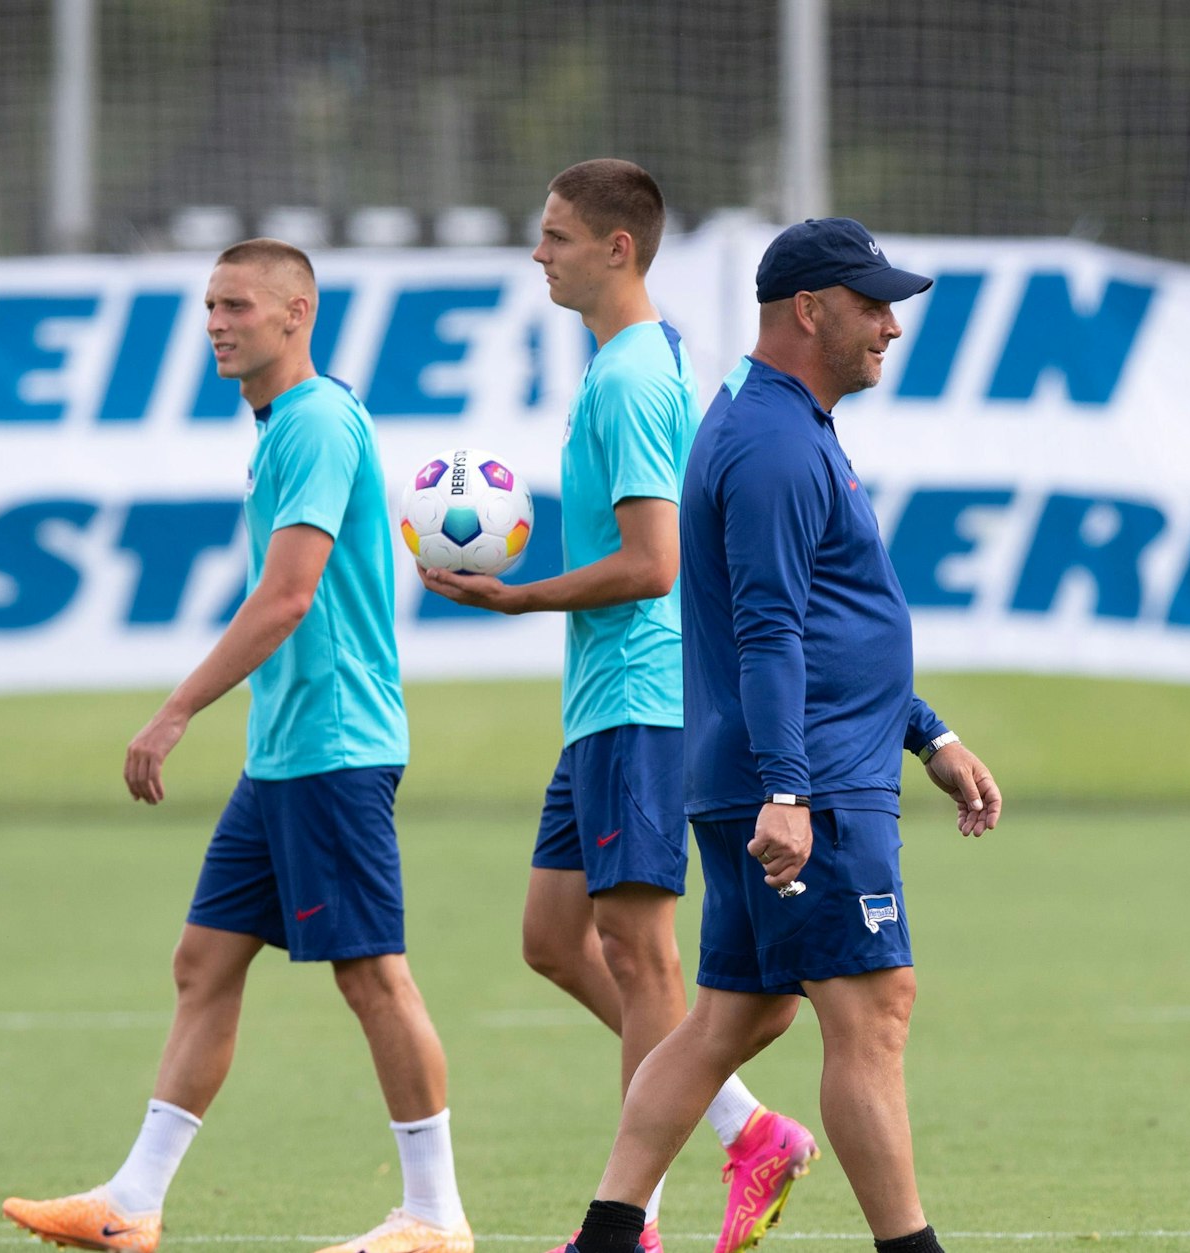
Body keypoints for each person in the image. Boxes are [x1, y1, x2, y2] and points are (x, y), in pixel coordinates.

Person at [2, 239, 472, 1253]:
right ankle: (131, 1202)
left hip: (334, 745)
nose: (216, 322)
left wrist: (175, 708)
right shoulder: (284, 423)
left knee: (371, 974)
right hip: (286, 752)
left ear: (295, 314)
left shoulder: (311, 422)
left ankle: (435, 1213)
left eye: (237, 306)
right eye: (209, 306)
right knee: (203, 960)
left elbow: (288, 594)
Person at [550, 218, 1002, 1253]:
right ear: (808, 309)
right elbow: (767, 628)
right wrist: (789, 789)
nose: (888, 325)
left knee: (733, 1017)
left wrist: (927, 734)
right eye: (871, 304)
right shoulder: (770, 445)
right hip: (808, 787)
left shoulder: (785, 425)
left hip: (796, 770)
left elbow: (839, 622)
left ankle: (608, 1235)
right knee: (873, 1009)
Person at [420, 159, 816, 1253]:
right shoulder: (622, 367)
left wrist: (519, 595)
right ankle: (747, 1124)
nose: (536, 253)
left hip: (644, 696)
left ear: (615, 249)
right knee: (553, 937)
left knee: (643, 960)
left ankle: (635, 1217)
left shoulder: (636, 378)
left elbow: (652, 564)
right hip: (605, 700)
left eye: (552, 236)